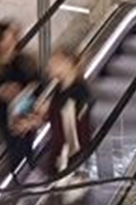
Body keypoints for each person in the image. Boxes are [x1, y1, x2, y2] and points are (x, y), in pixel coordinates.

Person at [0, 19, 41, 182]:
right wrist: (1, 90)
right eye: (4, 39)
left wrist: (24, 90)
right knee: (16, 147)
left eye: (11, 38)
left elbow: (39, 82)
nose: (8, 44)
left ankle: (28, 179)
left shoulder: (25, 60)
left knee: (27, 144)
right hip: (5, 113)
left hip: (26, 108)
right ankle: (21, 181)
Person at [35, 47, 94, 180]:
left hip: (71, 156)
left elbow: (73, 127)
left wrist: (69, 161)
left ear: (67, 63)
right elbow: (57, 117)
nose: (49, 68)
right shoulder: (59, 88)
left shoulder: (79, 92)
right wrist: (42, 116)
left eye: (54, 63)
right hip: (60, 151)